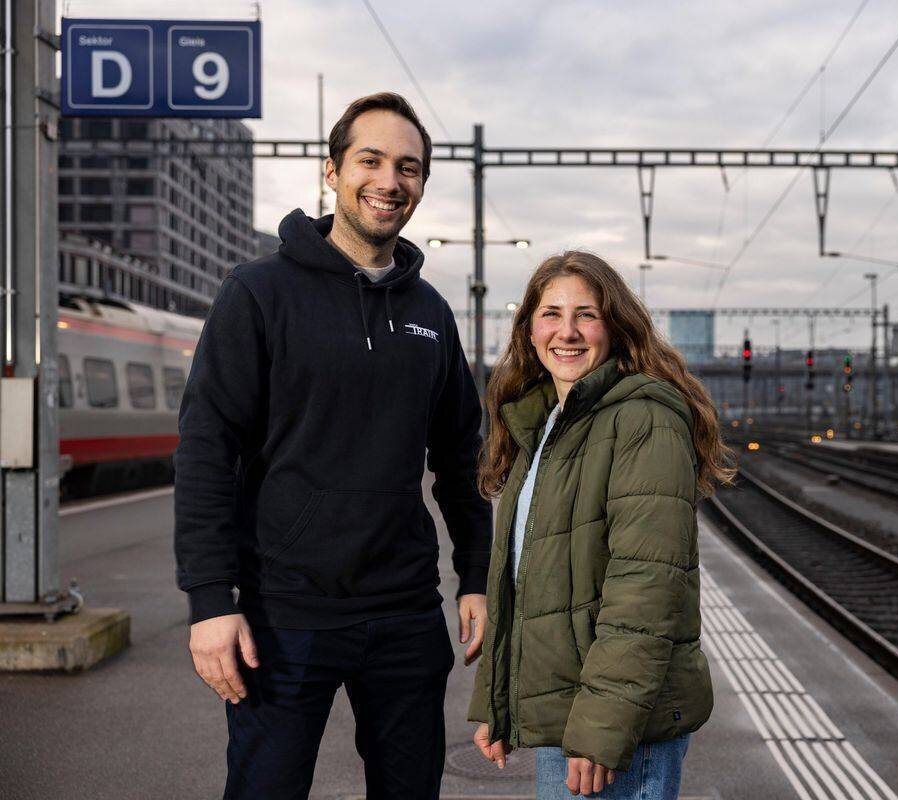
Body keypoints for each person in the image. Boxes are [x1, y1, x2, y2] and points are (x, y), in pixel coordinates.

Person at [173, 92, 492, 800]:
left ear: (420, 186)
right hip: (282, 616)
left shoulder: (431, 314)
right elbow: (205, 450)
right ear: (331, 170)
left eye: (408, 168)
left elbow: (462, 457)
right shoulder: (258, 294)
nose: (389, 181)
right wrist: (207, 600)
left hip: (405, 612)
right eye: (370, 160)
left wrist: (476, 575)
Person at [468, 251, 735, 798]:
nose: (567, 331)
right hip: (572, 710)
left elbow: (645, 594)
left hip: (616, 727)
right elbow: (523, 583)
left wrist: (601, 729)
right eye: (550, 314)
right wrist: (496, 703)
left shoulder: (643, 420)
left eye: (586, 314)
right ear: (528, 329)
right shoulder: (547, 424)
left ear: (614, 327)